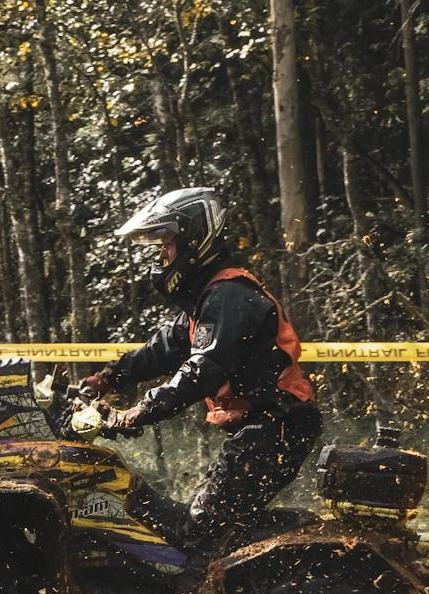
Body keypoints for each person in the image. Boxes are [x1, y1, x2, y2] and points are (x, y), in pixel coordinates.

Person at [81, 187, 321, 562]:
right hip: (264, 427)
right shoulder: (209, 298)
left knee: (204, 530)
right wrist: (109, 377)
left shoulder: (230, 296)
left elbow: (201, 372)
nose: (162, 253)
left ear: (194, 240)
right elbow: (162, 349)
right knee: (208, 521)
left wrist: (135, 413)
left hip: (278, 426)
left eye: (167, 243)